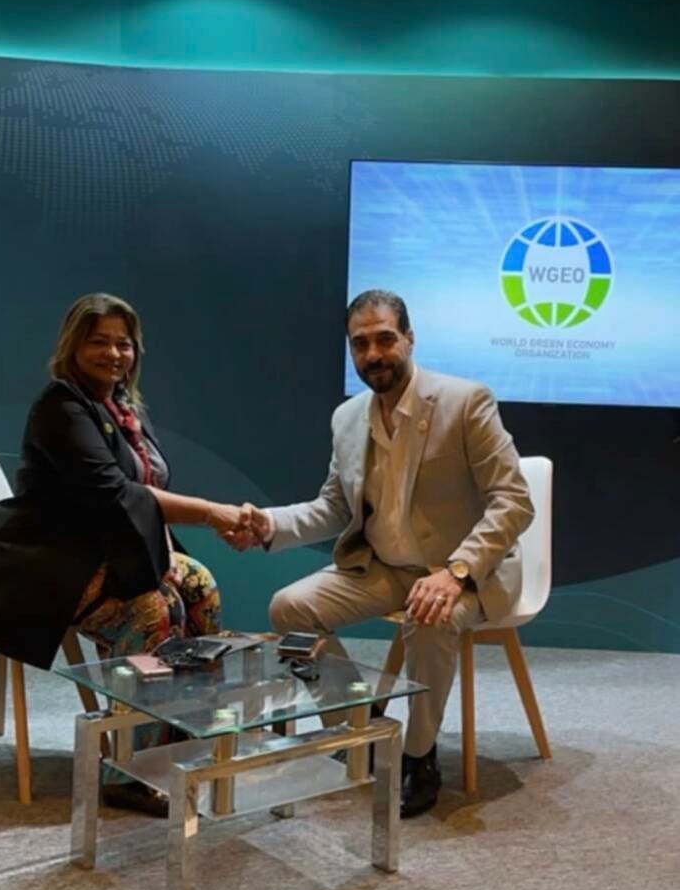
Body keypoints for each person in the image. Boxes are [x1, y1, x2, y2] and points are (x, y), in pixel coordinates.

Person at [226, 289, 534, 817]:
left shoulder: (465, 402)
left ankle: (419, 755)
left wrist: (457, 572)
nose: (374, 354)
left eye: (385, 339)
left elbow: (513, 501)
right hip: (384, 566)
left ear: (409, 338)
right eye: (360, 343)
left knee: (431, 614)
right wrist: (268, 524)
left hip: (464, 573)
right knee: (289, 608)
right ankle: (360, 732)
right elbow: (333, 507)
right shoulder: (348, 418)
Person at [0, 292, 248, 813]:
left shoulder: (121, 407)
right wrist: (212, 512)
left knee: (201, 588)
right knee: (151, 610)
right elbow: (116, 494)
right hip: (46, 564)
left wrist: (179, 546)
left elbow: (142, 493)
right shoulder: (60, 407)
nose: (113, 353)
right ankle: (130, 769)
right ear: (73, 346)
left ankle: (180, 740)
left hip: (102, 550)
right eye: (98, 342)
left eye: (123, 343)